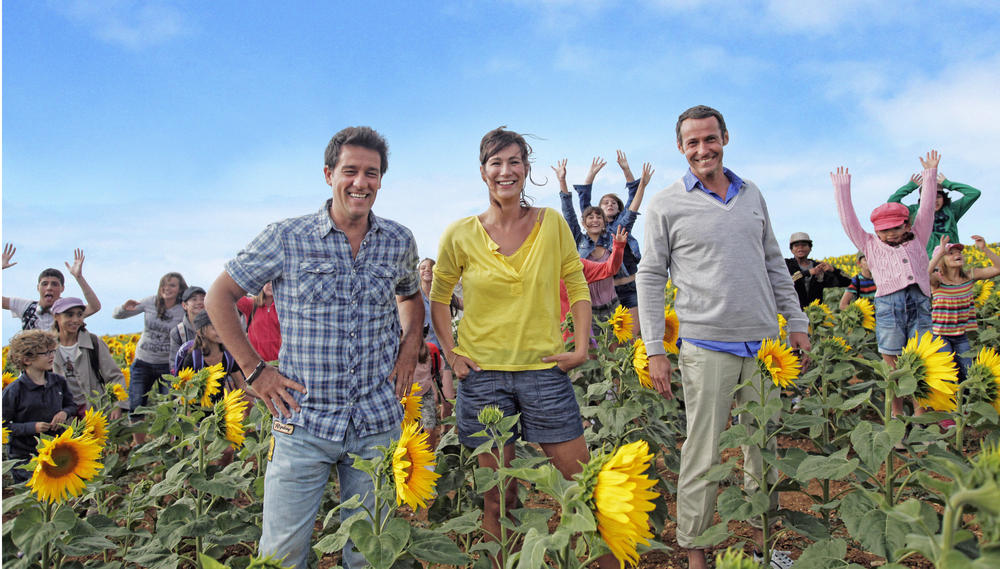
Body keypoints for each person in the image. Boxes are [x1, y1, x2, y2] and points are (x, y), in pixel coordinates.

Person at [205, 126, 423, 569]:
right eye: (350, 171)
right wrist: (254, 370)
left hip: (377, 423)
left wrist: (408, 348)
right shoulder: (287, 237)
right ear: (329, 174)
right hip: (303, 421)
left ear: (381, 179)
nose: (361, 182)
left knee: (369, 556)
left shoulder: (398, 240)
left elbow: (411, 297)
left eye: (372, 173)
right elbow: (218, 296)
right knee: (282, 556)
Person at [430, 127, 615, 569]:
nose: (505, 171)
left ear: (526, 170)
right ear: (482, 172)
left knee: (584, 486)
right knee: (498, 498)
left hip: (544, 372)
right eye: (496, 163)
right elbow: (438, 298)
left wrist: (582, 346)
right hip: (482, 380)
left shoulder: (551, 223)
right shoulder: (459, 234)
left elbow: (576, 281)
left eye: (514, 162)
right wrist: (452, 353)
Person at [636, 105, 810, 569]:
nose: (702, 149)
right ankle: (696, 551)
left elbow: (774, 262)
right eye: (691, 142)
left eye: (709, 139)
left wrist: (796, 322)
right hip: (705, 344)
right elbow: (650, 276)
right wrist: (656, 348)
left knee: (762, 446)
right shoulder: (667, 204)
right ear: (680, 148)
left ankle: (765, 543)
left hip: (763, 344)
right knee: (703, 450)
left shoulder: (751, 193)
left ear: (725, 138)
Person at [831, 151, 940, 419]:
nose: (891, 233)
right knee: (891, 362)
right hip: (889, 305)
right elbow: (849, 222)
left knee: (921, 360)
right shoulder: (869, 244)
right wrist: (842, 189)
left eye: (896, 227)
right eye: (884, 229)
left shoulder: (918, 236)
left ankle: (921, 415)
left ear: (906, 224)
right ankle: (896, 415)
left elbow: (926, 210)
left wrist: (930, 176)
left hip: (919, 302)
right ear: (876, 230)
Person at [557, 157, 653, 328]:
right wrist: (562, 180)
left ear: (603, 222)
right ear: (584, 222)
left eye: (598, 217)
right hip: (589, 299)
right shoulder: (579, 239)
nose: (595, 220)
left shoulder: (613, 235)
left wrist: (642, 186)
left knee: (626, 343)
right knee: (592, 349)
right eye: (590, 217)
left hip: (616, 297)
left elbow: (631, 211)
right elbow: (569, 211)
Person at [112, 272, 188, 436]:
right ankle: (138, 445)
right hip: (143, 362)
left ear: (180, 289)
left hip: (168, 365)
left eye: (172, 285)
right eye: (164, 285)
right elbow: (117, 315)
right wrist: (123, 308)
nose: (167, 288)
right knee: (137, 405)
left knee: (172, 407)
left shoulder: (183, 309)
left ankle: (170, 442)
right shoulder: (150, 302)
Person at [2, 330, 76, 483]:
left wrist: (64, 413)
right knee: (32, 498)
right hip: (25, 455)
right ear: (27, 359)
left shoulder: (58, 381)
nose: (51, 356)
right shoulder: (14, 391)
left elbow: (71, 405)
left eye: (52, 351)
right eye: (45, 353)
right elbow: (4, 426)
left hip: (55, 450)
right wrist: (32, 427)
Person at [928, 235, 1000, 382]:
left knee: (968, 374)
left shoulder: (969, 276)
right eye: (951, 253)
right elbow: (923, 275)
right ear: (942, 259)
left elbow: (998, 268)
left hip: (961, 335)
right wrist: (939, 253)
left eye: (958, 252)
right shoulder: (937, 281)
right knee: (948, 373)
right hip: (940, 335)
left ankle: (966, 403)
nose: (957, 254)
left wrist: (985, 249)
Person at [51, 297, 128, 420]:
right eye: (69, 315)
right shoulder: (48, 348)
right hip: (63, 412)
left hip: (95, 408)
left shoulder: (93, 342)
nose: (75, 320)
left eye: (79, 315)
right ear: (56, 316)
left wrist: (118, 404)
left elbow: (114, 376)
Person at [3, 245, 102, 331]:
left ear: (62, 288)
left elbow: (94, 307)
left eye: (54, 284)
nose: (49, 288)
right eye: (45, 284)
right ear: (38, 287)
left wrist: (79, 277)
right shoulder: (26, 306)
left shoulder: (69, 311)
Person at [887, 172, 981, 257]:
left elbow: (974, 193)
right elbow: (891, 202)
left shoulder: (952, 209)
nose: (934, 201)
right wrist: (910, 187)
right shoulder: (913, 210)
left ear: (944, 198)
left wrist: (948, 184)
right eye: (930, 197)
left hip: (950, 256)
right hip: (926, 260)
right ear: (923, 199)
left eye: (938, 197)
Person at [416, 259, 456, 422]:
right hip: (422, 353)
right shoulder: (413, 296)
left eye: (431, 268)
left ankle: (445, 435)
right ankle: (424, 433)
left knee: (448, 400)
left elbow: (467, 304)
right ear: (418, 272)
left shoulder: (444, 295)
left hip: (442, 351)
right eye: (423, 267)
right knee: (430, 399)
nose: (427, 270)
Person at [174, 310, 244, 398]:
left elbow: (241, 386)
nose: (221, 331)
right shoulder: (193, 359)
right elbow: (184, 395)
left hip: (220, 408)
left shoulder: (228, 355)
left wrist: (262, 395)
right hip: (197, 408)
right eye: (215, 328)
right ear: (201, 332)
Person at [785, 232, 852, 309]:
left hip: (816, 314)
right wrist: (807, 273)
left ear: (810, 248)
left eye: (804, 245)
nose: (800, 248)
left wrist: (833, 270)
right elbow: (786, 282)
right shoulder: (786, 265)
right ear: (791, 250)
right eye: (796, 246)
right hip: (792, 312)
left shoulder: (818, 267)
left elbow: (847, 282)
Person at [237, 282, 281, 363]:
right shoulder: (250, 304)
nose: (270, 285)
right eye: (267, 281)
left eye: (274, 282)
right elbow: (232, 291)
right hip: (257, 363)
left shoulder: (284, 306)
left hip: (281, 362)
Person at [169, 286, 206, 373]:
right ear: (184, 305)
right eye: (194, 299)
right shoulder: (178, 332)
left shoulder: (217, 326)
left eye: (202, 299)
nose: (200, 302)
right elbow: (174, 363)